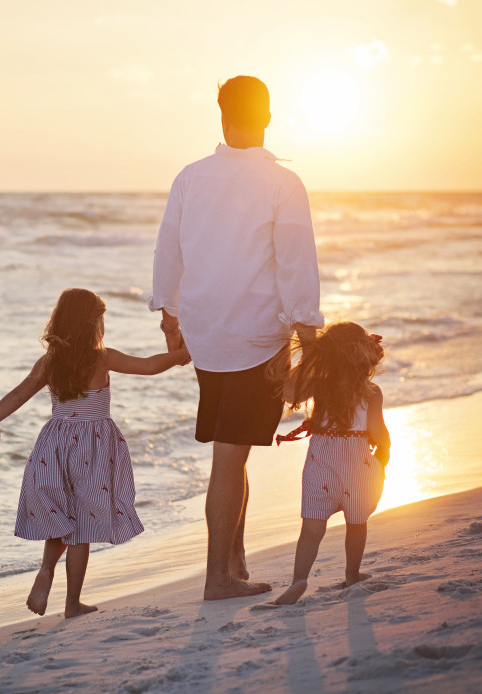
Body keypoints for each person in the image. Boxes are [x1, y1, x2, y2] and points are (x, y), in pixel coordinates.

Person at [149, 75, 324, 600]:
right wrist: (310, 337)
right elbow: (297, 263)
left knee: (235, 451)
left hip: (206, 335)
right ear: (267, 117)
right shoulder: (282, 183)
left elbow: (168, 250)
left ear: (221, 114)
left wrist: (170, 317)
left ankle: (235, 561)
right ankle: (217, 579)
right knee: (230, 455)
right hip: (254, 338)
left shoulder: (191, 177)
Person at [0, 288, 190, 618]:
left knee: (63, 514)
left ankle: (46, 570)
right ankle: (72, 603)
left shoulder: (49, 362)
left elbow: (19, 394)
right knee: (83, 528)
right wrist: (182, 355)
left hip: (55, 444)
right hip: (93, 447)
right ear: (93, 324)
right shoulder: (101, 357)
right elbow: (148, 366)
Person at [272, 321, 391, 605]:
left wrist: (299, 359)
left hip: (321, 460)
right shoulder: (372, 392)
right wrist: (383, 456)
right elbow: (378, 430)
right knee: (356, 523)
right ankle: (352, 573)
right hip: (358, 463)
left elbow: (289, 393)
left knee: (312, 528)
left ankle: (298, 579)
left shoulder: (319, 385)